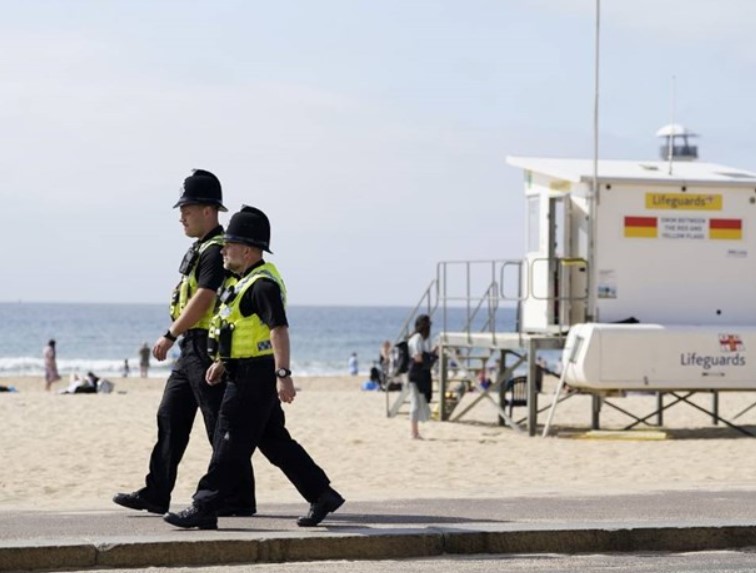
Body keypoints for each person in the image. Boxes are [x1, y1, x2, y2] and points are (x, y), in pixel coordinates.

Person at [163, 206, 344, 530]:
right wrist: (222, 362)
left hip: (255, 377)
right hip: (243, 371)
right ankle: (322, 494)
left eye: (229, 244)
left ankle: (204, 505)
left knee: (227, 439)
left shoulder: (262, 285)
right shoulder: (243, 282)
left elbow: (278, 330)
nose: (223, 249)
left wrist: (283, 376)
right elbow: (241, 331)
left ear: (246, 250)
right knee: (274, 441)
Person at [113, 169, 256, 518]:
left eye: (187, 209)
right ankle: (157, 492)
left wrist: (170, 333)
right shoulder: (202, 249)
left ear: (209, 210)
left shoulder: (215, 251)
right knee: (170, 417)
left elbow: (205, 298)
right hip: (189, 351)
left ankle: (238, 498)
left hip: (204, 349)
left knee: (217, 426)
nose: (181, 216)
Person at [407, 314, 436, 440]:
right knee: (415, 403)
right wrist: (431, 357)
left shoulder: (413, 337)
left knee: (417, 402)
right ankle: (414, 433)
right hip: (416, 374)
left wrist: (431, 354)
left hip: (413, 373)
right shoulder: (418, 338)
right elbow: (418, 357)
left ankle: (415, 432)